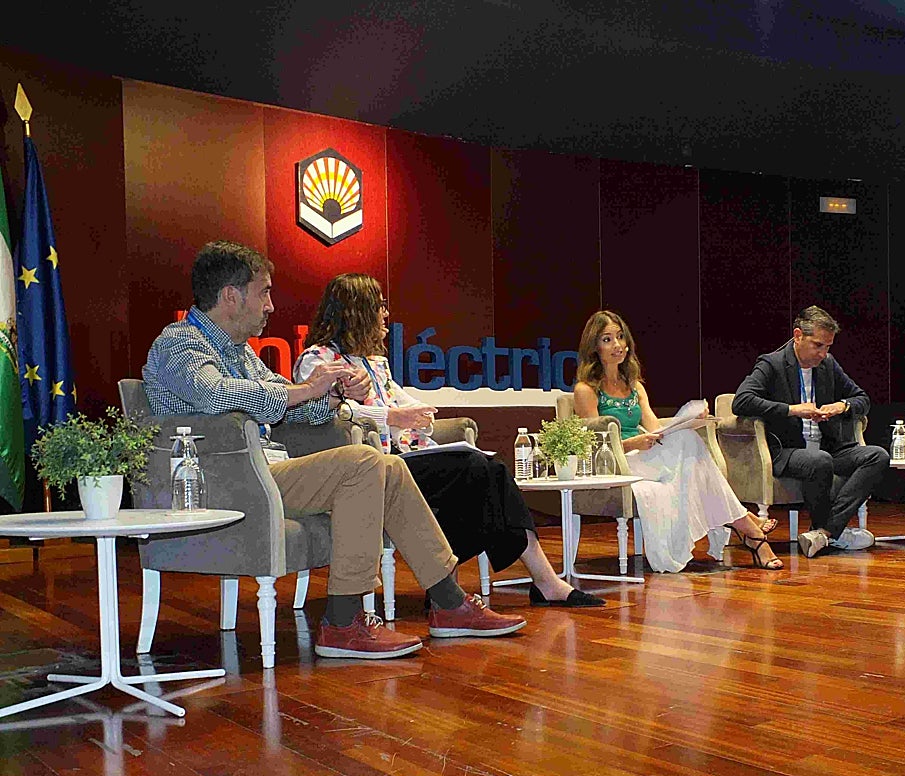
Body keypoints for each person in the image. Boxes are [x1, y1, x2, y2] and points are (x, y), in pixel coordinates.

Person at [143, 241, 527, 660]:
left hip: (263, 473)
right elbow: (215, 396)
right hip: (214, 484)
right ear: (232, 296)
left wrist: (332, 396)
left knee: (389, 468)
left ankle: (449, 601)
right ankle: (343, 621)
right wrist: (307, 389)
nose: (271, 304)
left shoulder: (240, 354)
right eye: (264, 292)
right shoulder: (179, 344)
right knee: (363, 462)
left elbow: (288, 403)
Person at [293, 273, 603, 608]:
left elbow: (399, 400)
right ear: (357, 310)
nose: (385, 314)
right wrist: (394, 418)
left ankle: (520, 583)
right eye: (379, 306)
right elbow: (331, 416)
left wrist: (421, 414)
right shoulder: (318, 360)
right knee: (479, 470)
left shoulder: (375, 362)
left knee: (489, 474)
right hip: (369, 467)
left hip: (404, 454)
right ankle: (530, 582)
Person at [572, 310, 781, 573]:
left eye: (620, 337)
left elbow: (655, 427)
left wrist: (688, 420)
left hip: (643, 455)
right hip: (616, 462)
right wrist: (634, 443)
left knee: (687, 438)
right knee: (688, 446)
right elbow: (594, 445)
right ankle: (748, 526)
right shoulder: (586, 390)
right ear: (594, 347)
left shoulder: (634, 386)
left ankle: (744, 525)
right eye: (607, 339)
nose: (617, 345)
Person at [732, 306, 888, 558]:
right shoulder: (772, 363)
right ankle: (833, 533)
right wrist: (792, 410)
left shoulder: (828, 364)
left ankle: (824, 532)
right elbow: (741, 401)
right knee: (819, 460)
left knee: (877, 456)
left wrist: (842, 406)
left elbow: (862, 398)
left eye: (828, 347)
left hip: (827, 446)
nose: (823, 353)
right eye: (818, 345)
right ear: (797, 335)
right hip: (788, 450)